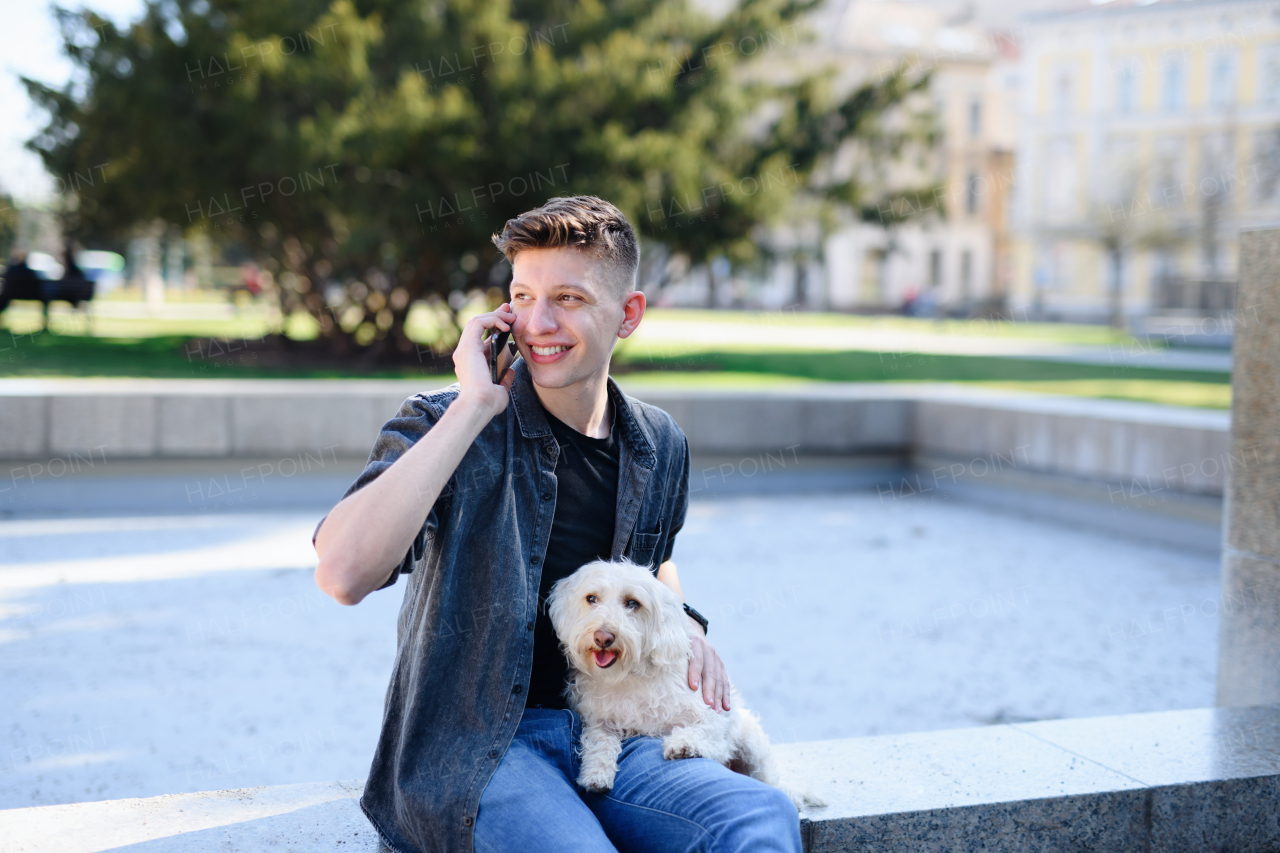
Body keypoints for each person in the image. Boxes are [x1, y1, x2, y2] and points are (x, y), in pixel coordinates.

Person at [312, 196, 801, 853]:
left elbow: (650, 563)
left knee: (761, 819)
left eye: (568, 297)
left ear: (627, 314)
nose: (538, 322)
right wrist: (472, 407)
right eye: (522, 295)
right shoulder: (444, 424)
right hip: (480, 751)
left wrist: (681, 617)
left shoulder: (658, 441)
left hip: (620, 729)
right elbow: (342, 573)